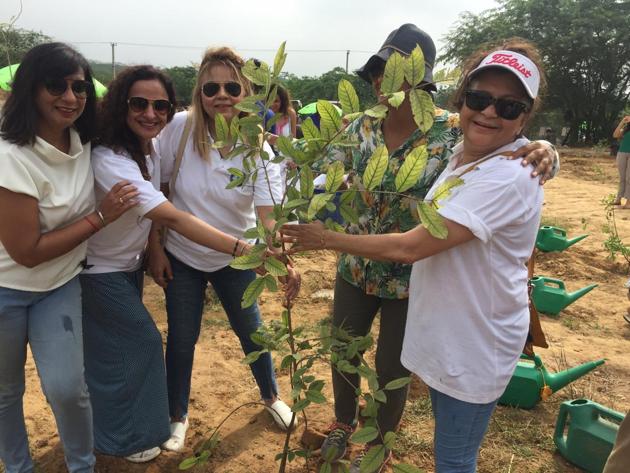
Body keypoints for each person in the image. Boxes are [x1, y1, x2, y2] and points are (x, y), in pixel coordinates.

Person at [288, 25, 557, 472]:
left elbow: (509, 151)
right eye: (379, 71)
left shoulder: (452, 131)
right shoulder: (358, 127)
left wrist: (547, 150)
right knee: (343, 349)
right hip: (356, 266)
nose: (384, 83)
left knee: (392, 367)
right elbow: (323, 179)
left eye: (397, 72)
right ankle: (342, 422)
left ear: (422, 80)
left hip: (411, 276)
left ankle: (380, 444)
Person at [80, 65, 267, 463]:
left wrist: (152, 249)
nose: (151, 113)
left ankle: (270, 395)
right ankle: (139, 430)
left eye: (159, 105)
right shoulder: (117, 153)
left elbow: (152, 205)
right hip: (107, 268)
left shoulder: (148, 148)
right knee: (153, 342)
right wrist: (241, 249)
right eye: (139, 103)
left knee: (251, 332)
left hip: (131, 265)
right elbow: (169, 213)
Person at [148, 46, 299, 452]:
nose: (221, 94)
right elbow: (156, 195)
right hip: (182, 255)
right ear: (199, 92)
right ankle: (176, 413)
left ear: (246, 92)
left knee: (253, 332)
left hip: (237, 259)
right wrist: (156, 249)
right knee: (181, 337)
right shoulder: (177, 130)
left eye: (232, 86)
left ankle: (271, 396)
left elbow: (267, 217)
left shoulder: (260, 151)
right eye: (211, 86)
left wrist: (280, 256)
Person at [0, 43, 137, 473]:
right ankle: (19, 467)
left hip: (58, 286)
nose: (70, 96)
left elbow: (143, 121)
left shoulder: (84, 139)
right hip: (6, 287)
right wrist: (100, 217)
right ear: (30, 89)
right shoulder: (11, 156)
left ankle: (82, 466)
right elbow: (26, 252)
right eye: (55, 85)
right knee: (5, 392)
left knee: (66, 388)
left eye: (79, 87)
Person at [612, 115, 630, 208]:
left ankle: (628, 202)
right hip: (622, 153)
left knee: (629, 178)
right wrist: (622, 122)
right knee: (622, 177)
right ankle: (618, 199)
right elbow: (615, 135)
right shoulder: (626, 130)